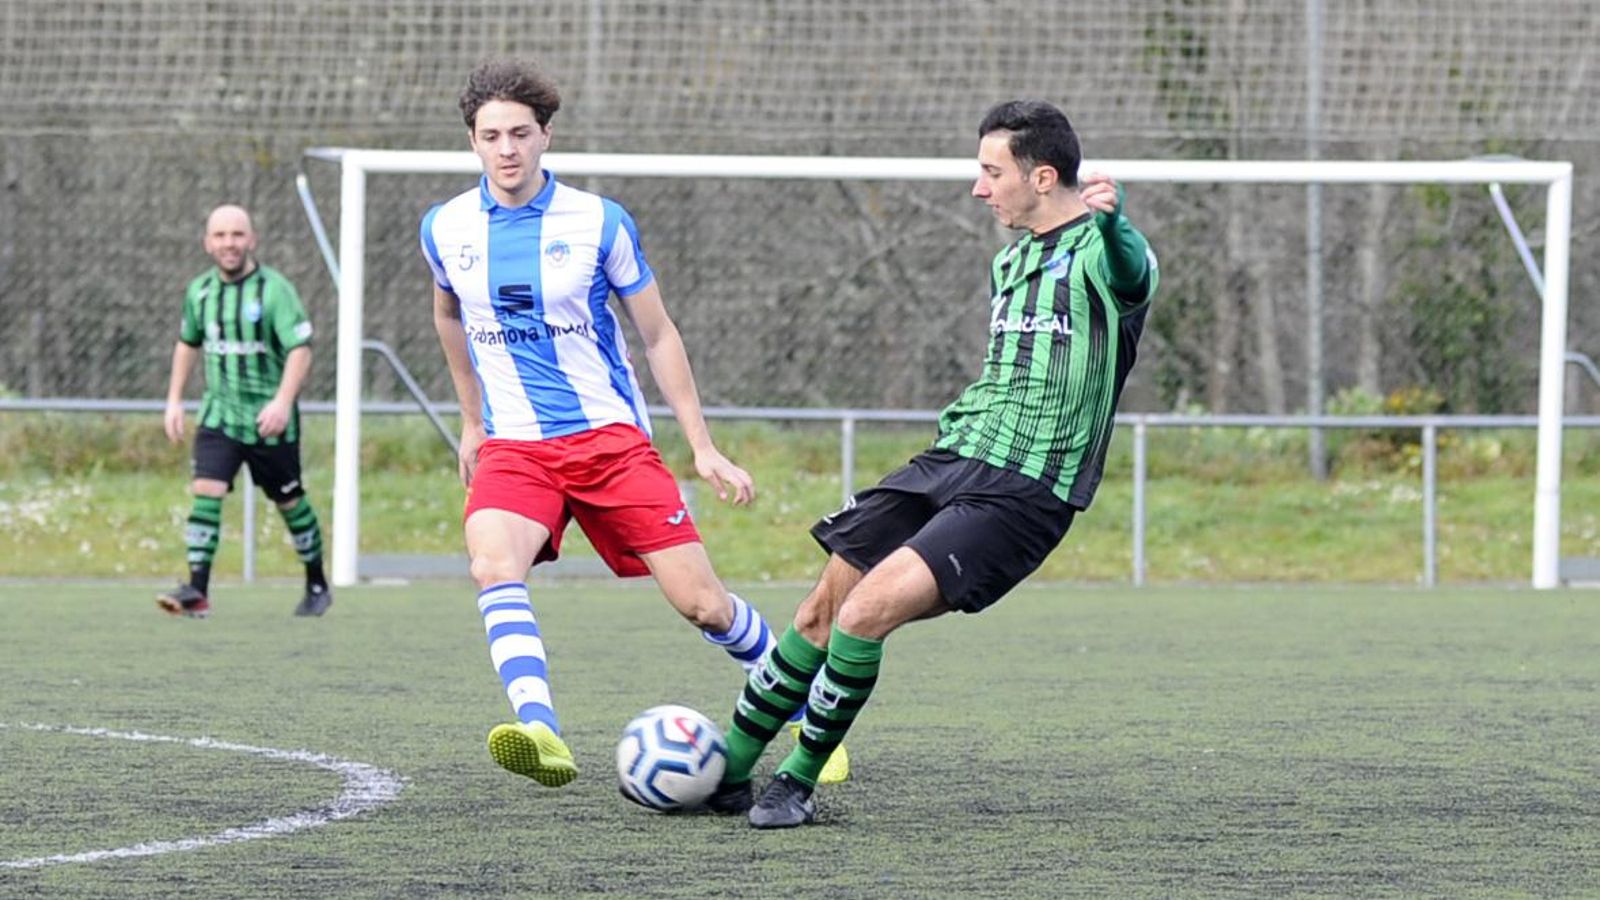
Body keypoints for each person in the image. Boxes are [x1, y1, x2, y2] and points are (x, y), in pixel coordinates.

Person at [706, 99, 1160, 827]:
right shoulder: (1010, 260)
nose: (980, 188)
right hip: (952, 460)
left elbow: (1132, 273)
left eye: (991, 172)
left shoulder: (1105, 255)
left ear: (1043, 177)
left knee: (863, 615)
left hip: (1025, 488)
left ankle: (794, 782)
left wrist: (1115, 223)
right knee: (819, 610)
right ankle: (724, 771)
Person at [420, 58, 845, 790]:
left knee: (705, 606)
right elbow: (447, 317)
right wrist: (471, 423)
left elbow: (658, 335)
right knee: (493, 565)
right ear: (473, 142)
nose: (507, 149)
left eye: (520, 133)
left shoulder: (597, 222)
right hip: (516, 448)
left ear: (545, 135)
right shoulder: (446, 227)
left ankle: (806, 713)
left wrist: (702, 447)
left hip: (610, 443)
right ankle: (541, 730)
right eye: (491, 136)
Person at [159, 205, 332, 619]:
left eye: (237, 235)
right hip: (220, 417)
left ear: (251, 240)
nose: (229, 243)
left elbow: (300, 350)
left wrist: (281, 402)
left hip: (269, 421)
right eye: (220, 236)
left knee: (290, 502)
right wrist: (174, 399)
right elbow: (188, 342)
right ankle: (197, 590)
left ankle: (317, 582)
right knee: (207, 489)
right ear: (208, 243)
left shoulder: (274, 290)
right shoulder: (200, 291)